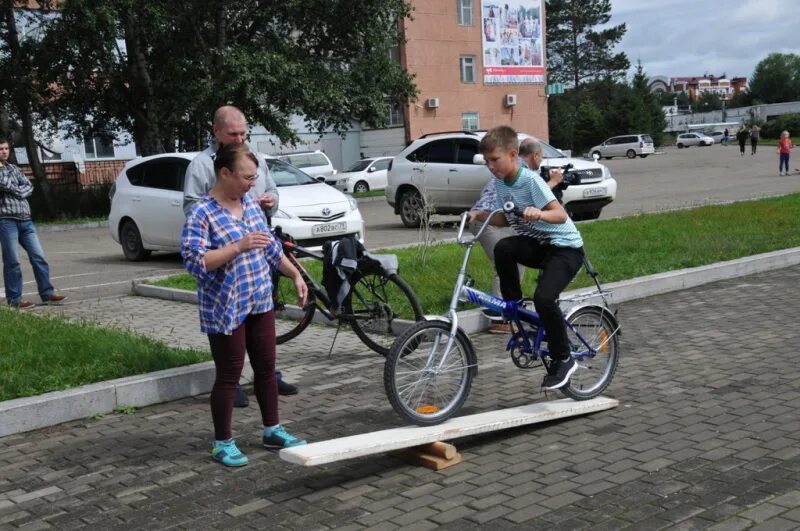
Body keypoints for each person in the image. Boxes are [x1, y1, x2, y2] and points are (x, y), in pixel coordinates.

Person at [182, 143, 308, 467]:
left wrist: (295, 274)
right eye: (247, 177)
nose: (253, 183)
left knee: (266, 370)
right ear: (225, 173)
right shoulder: (202, 212)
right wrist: (238, 246)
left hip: (259, 300)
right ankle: (222, 442)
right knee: (229, 374)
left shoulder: (250, 203)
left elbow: (270, 248)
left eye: (255, 177)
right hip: (225, 307)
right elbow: (195, 262)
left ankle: (272, 429)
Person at [184, 106, 298, 402]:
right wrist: (232, 233)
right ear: (216, 131)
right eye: (233, 133)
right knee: (230, 367)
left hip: (256, 264)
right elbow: (193, 214)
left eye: (243, 132)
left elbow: (270, 194)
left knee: (264, 356)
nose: (239, 138)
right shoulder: (200, 165)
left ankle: (269, 392)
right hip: (225, 281)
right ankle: (232, 389)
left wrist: (269, 201)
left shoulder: (253, 158)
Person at [470, 126, 584, 390]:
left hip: (565, 248)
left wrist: (538, 213)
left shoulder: (530, 180)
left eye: (494, 160)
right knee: (504, 248)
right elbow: (504, 217)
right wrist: (479, 215)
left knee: (545, 298)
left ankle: (563, 358)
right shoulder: (500, 183)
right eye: (486, 161)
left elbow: (560, 215)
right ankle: (514, 305)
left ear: (512, 154)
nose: (490, 166)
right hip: (541, 245)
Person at [470, 138, 564, 334]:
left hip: (491, 217)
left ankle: (511, 311)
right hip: (486, 219)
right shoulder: (520, 169)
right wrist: (554, 182)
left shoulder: (517, 168)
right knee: (504, 263)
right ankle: (501, 319)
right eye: (542, 157)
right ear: (536, 156)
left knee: (513, 257)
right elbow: (535, 198)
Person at [0, 138, 66, 309]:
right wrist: (18, 189)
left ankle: (47, 293)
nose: (4, 152)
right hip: (7, 220)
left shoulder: (13, 168)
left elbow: (29, 186)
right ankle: (15, 299)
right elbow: (4, 183)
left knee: (39, 257)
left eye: (6, 148)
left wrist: (16, 190)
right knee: (12, 261)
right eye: (1, 149)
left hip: (26, 221)